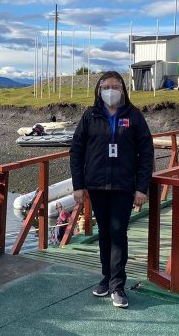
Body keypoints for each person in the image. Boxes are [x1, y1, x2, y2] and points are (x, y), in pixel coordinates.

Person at [70, 71, 153, 309]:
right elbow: (76, 151)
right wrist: (79, 185)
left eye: (115, 86)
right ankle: (106, 277)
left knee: (118, 233)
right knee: (104, 234)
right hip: (96, 184)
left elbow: (146, 153)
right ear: (98, 89)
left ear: (123, 90)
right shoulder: (90, 116)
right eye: (106, 86)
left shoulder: (134, 116)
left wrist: (141, 187)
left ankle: (118, 285)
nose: (110, 90)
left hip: (123, 185)